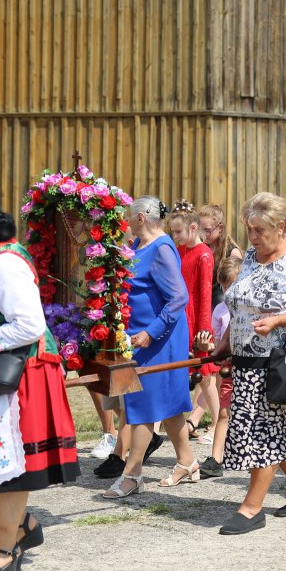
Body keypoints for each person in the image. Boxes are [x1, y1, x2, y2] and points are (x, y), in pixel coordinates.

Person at [0, 191, 79, 571]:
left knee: (9, 469)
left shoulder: (5, 263)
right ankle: (23, 525)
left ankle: (4, 547)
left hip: (20, 374)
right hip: (1, 373)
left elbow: (28, 323)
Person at [213, 192, 286, 534]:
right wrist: (225, 344)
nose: (254, 237)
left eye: (260, 230)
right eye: (250, 229)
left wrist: (279, 320)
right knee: (274, 432)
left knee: (265, 436)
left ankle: (251, 508)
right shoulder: (249, 256)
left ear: (282, 226)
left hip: (278, 364)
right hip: (247, 361)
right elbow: (240, 307)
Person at [102, 196, 199, 499]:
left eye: (129, 217)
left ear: (141, 218)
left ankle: (132, 475)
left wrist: (151, 332)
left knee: (144, 405)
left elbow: (179, 297)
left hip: (160, 339)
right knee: (165, 404)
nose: (126, 222)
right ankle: (187, 461)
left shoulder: (162, 249)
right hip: (137, 336)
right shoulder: (134, 247)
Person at [169, 202, 220, 444]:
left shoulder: (204, 254)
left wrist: (203, 332)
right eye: (173, 232)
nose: (175, 237)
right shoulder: (180, 251)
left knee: (206, 375)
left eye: (178, 232)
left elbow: (204, 295)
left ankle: (222, 423)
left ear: (192, 228)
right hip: (180, 316)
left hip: (196, 319)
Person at [198, 255, 243, 479]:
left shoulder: (248, 309)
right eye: (224, 287)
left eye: (232, 286)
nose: (227, 292)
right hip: (229, 372)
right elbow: (217, 344)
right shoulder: (220, 311)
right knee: (224, 413)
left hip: (251, 368)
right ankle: (216, 459)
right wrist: (209, 347)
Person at [197, 203, 244, 308]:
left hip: (222, 307)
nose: (203, 234)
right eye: (200, 230)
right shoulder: (202, 248)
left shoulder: (232, 253)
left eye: (207, 230)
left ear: (220, 228)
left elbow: (237, 288)